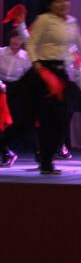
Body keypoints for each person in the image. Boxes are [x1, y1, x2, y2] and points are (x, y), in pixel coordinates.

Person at [8, 0, 81, 175]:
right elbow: (30, 43)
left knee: (59, 121)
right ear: (50, 5)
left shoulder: (72, 23)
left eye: (65, 0)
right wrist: (36, 62)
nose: (63, 4)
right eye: (58, 1)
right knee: (27, 121)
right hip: (42, 72)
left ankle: (47, 162)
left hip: (61, 75)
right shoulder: (44, 20)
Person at [0, 26, 33, 166]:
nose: (16, 41)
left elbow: (29, 77)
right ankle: (7, 152)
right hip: (1, 88)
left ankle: (8, 152)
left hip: (17, 91)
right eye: (14, 37)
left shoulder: (26, 56)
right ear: (9, 38)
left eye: (19, 38)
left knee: (14, 123)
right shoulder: (1, 52)